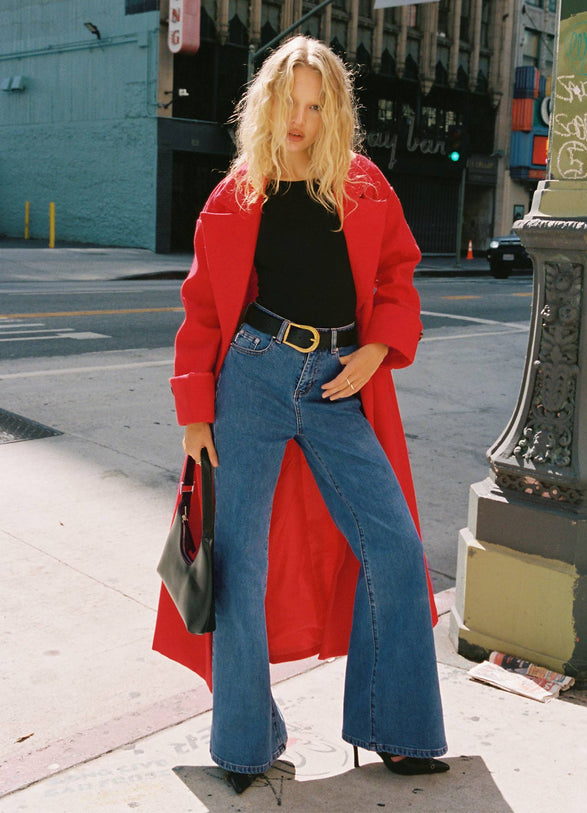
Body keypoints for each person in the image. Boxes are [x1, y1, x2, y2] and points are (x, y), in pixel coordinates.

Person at [153, 35, 448, 794]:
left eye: (317, 107)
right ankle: (245, 745)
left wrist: (378, 350)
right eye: (290, 103)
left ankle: (398, 729)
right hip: (252, 375)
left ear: (334, 112)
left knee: (394, 545)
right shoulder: (235, 194)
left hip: (338, 383)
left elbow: (398, 274)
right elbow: (201, 308)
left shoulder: (364, 185)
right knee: (239, 562)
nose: (300, 120)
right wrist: (194, 410)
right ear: (267, 103)